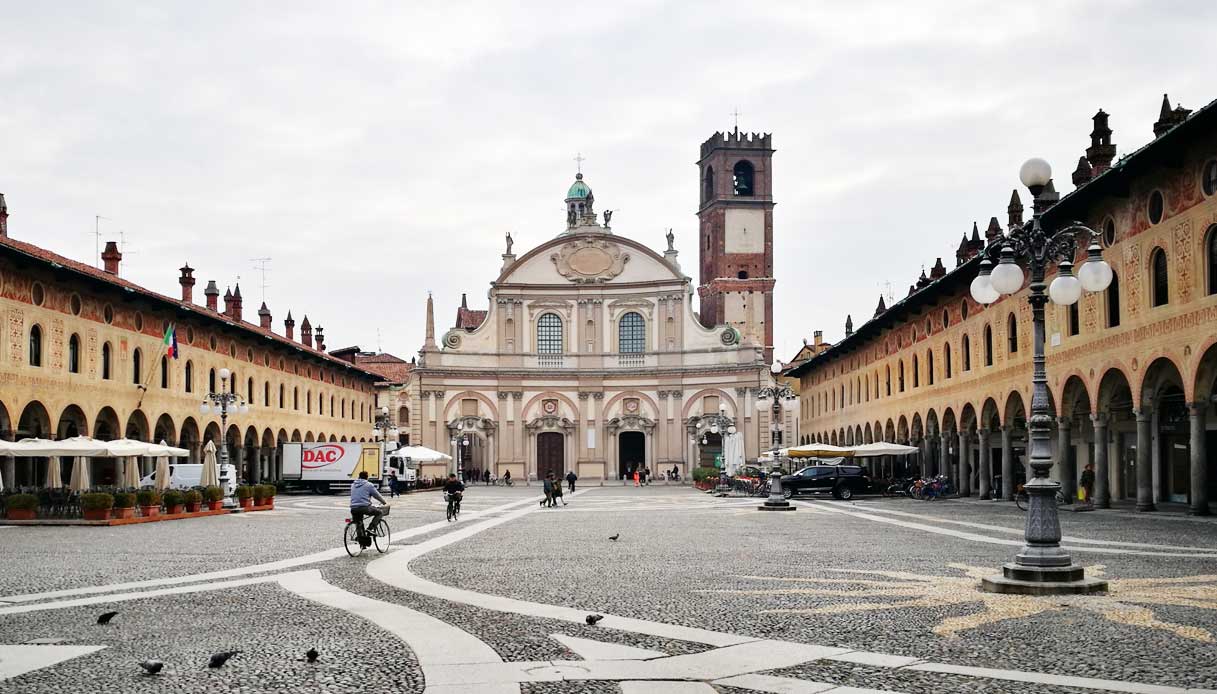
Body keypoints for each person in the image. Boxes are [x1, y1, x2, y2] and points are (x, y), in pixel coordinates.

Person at [349, 470, 387, 548]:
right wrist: (384, 502)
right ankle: (370, 528)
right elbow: (377, 495)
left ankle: (362, 544)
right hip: (364, 507)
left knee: (359, 523)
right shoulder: (369, 485)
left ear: (359, 477)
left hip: (353, 508)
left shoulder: (353, 485)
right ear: (367, 477)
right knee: (380, 512)